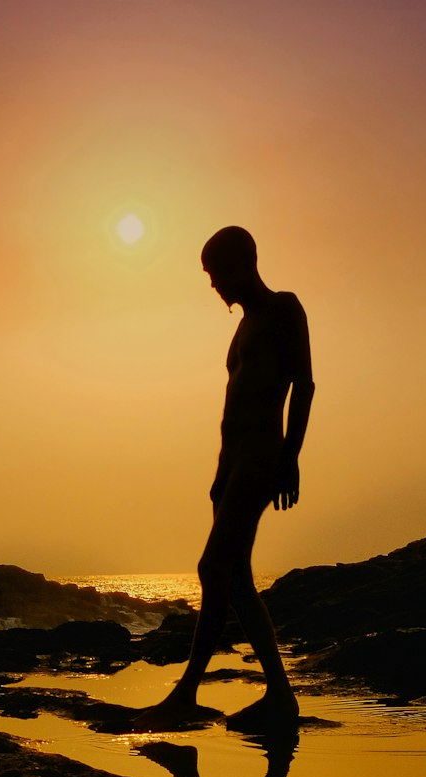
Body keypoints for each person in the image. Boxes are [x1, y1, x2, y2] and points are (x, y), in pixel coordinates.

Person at [135, 226, 313, 732]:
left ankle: (189, 693)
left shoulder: (284, 308)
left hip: (261, 459)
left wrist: (290, 458)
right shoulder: (242, 328)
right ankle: (278, 695)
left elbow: (304, 384)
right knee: (232, 579)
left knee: (214, 568)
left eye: (216, 274)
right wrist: (218, 475)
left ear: (243, 263)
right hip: (232, 464)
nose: (213, 285)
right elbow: (231, 409)